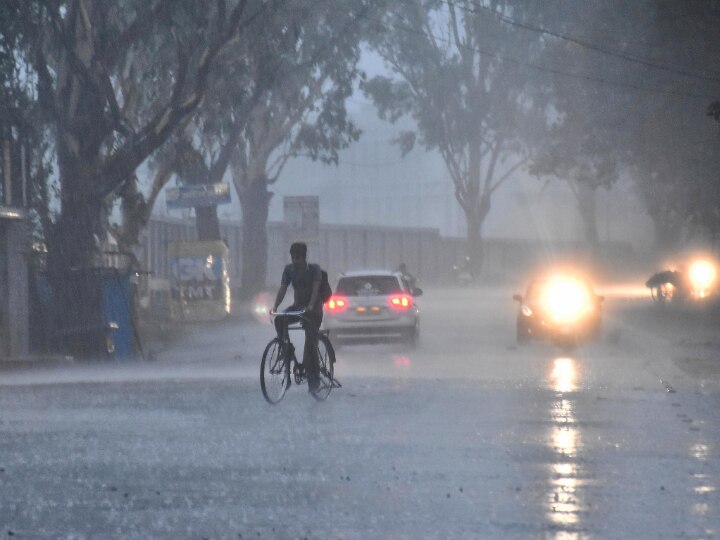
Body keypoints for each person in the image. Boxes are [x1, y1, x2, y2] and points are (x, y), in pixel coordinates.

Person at [271, 242, 323, 392]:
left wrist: (311, 306)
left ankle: (315, 382)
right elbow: (282, 289)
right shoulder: (289, 270)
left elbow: (315, 289)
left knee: (310, 344)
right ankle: (286, 348)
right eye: (293, 258)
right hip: (298, 307)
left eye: (298, 258)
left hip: (314, 310)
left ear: (304, 257)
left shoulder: (314, 270)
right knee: (280, 319)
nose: (295, 261)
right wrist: (275, 306)